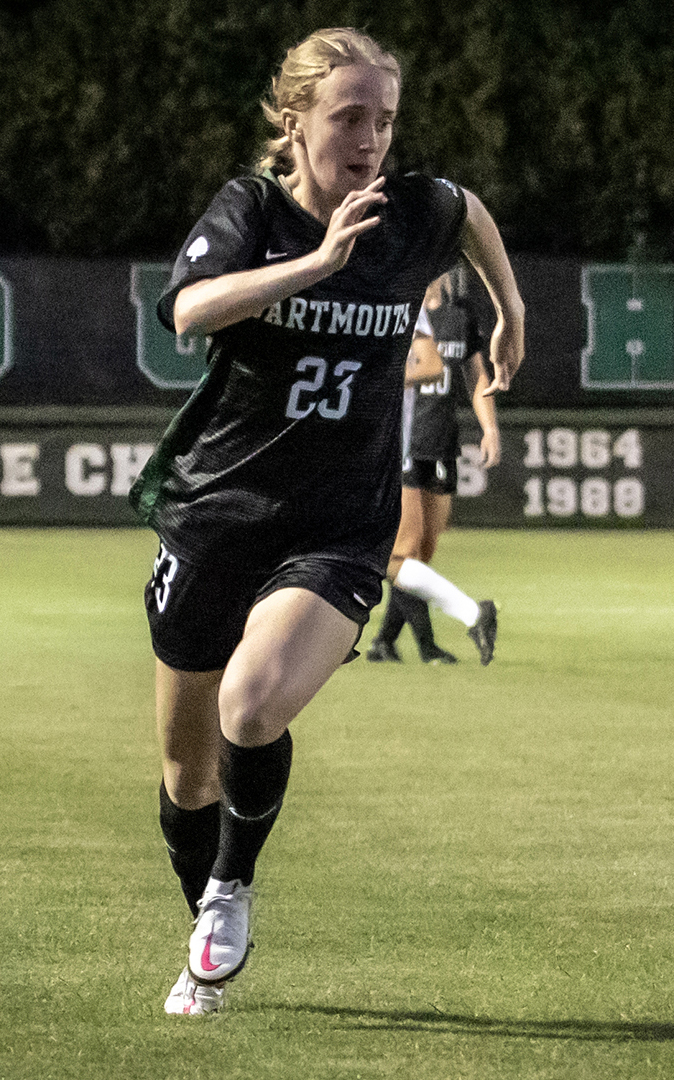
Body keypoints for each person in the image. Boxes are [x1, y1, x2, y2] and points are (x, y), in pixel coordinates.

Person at [129, 27, 525, 1016]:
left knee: (252, 705)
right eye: (349, 117)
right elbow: (188, 310)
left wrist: (509, 309)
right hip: (218, 516)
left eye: (384, 120)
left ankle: (232, 889)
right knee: (187, 776)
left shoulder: (409, 211)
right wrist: (315, 263)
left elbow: (469, 211)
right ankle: (204, 931)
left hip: (338, 526)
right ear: (295, 120)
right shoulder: (253, 210)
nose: (370, 139)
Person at [367, 267, 501, 665]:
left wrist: (490, 428)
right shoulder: (399, 307)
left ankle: (385, 642)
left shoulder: (458, 315)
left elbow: (476, 377)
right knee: (403, 554)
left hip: (441, 440)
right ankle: (438, 639)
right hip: (406, 440)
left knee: (419, 557)